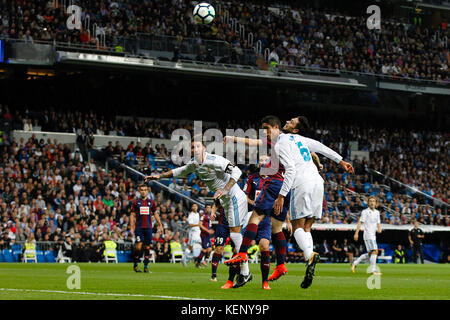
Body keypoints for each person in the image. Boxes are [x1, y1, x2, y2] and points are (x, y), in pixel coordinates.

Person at [225, 115, 353, 290]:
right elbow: (320, 148)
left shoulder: (281, 141)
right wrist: (341, 161)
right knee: (301, 226)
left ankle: (244, 254)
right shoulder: (300, 140)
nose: (288, 121)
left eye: (292, 121)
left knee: (289, 223)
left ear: (294, 129)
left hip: (296, 183)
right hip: (317, 181)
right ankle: (297, 260)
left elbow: (289, 167)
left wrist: (282, 195)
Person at [145, 136, 251, 285]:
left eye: (197, 147)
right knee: (235, 235)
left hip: (234, 196)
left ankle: (245, 272)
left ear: (204, 149)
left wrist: (224, 189)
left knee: (234, 235)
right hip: (225, 201)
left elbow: (237, 172)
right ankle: (245, 272)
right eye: (192, 147)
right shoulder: (194, 164)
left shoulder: (214, 160)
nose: (194, 149)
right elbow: (178, 171)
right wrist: (158, 176)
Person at [130, 184, 163, 273]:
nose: (143, 191)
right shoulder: (136, 202)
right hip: (139, 228)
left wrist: (160, 224)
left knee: (147, 247)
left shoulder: (151, 202)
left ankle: (145, 266)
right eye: (142, 190)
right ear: (139, 191)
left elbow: (155, 214)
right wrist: (132, 227)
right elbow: (132, 215)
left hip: (148, 228)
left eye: (145, 190)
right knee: (139, 247)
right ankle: (136, 265)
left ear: (147, 191)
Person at [352, 196, 382, 275]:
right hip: (368, 234)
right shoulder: (365, 212)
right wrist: (356, 233)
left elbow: (378, 222)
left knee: (370, 254)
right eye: (370, 201)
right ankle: (373, 270)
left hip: (373, 235)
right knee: (375, 251)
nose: (372, 202)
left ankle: (355, 263)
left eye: (374, 201)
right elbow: (360, 222)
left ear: (376, 203)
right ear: (368, 203)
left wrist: (379, 228)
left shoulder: (377, 212)